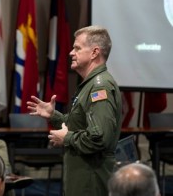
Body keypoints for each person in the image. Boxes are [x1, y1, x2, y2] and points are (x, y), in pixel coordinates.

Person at [27, 26, 122, 196]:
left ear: (94, 53)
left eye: (77, 48)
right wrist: (53, 116)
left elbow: (99, 138)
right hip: (82, 175)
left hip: (91, 180)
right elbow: (81, 125)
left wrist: (67, 138)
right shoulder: (90, 84)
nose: (71, 52)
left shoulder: (100, 87)